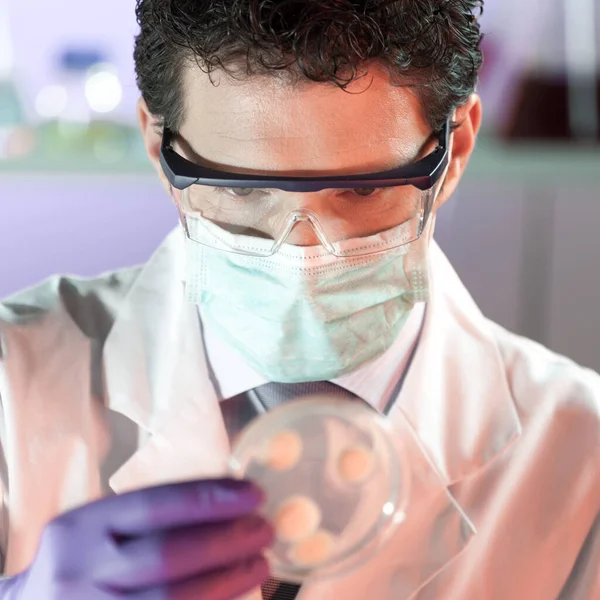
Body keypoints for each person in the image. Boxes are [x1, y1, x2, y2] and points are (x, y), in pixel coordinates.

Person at [0, 1, 598, 599]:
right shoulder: (13, 384)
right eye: (243, 187)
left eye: (364, 188)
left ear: (456, 149)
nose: (305, 253)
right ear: (159, 148)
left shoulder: (582, 457)